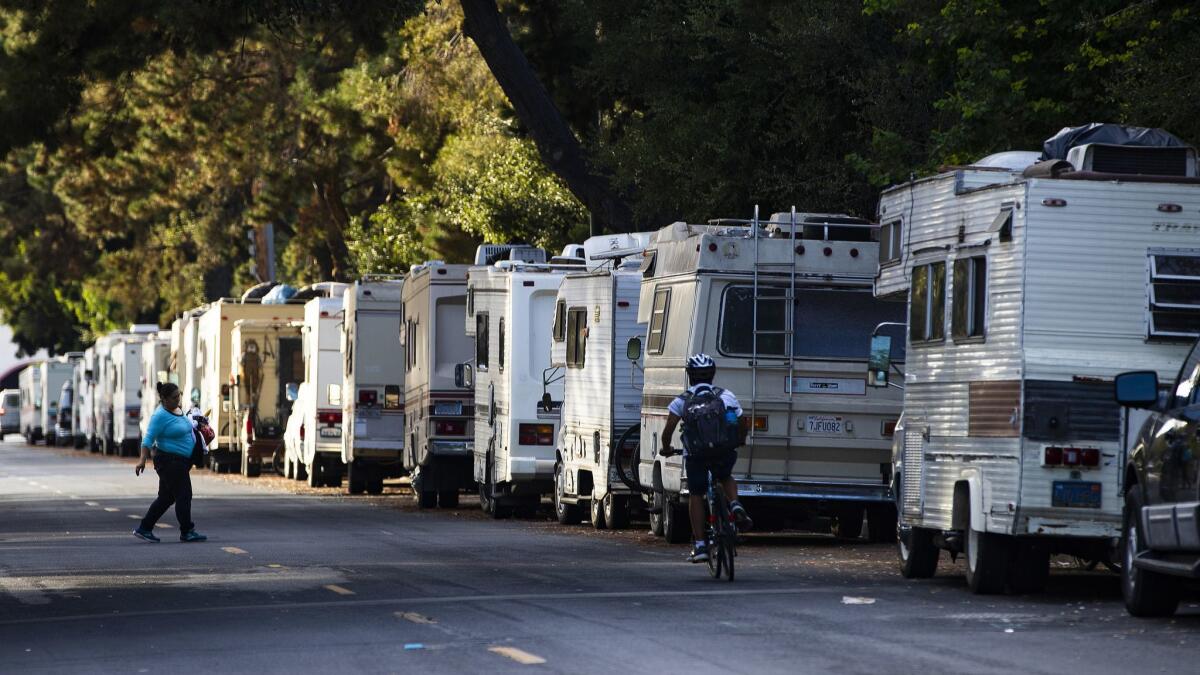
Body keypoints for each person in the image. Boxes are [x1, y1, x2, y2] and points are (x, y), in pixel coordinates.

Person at [659, 353, 752, 563]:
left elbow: (668, 431)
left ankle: (700, 545)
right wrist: (740, 440)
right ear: (712, 375)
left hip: (696, 455)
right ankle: (735, 504)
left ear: (690, 375)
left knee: (696, 494)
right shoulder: (725, 395)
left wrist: (666, 448)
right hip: (723, 450)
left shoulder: (681, 401)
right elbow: (742, 421)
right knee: (725, 475)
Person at [133, 381, 207, 543]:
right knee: (184, 494)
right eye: (174, 398)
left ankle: (145, 528)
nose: (177, 400)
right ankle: (187, 531)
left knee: (166, 497)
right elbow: (148, 439)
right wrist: (142, 460)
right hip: (169, 461)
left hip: (180, 461)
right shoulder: (160, 416)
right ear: (164, 399)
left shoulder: (178, 410)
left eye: (179, 396)